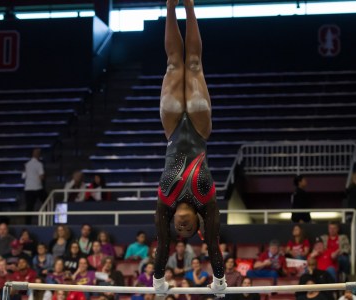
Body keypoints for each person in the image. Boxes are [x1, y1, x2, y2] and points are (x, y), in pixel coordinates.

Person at [153, 0, 226, 295]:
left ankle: (171, 6)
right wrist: (219, 282)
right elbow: (212, 245)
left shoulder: (165, 205)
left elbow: (162, 247)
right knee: (193, 62)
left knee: (173, 62)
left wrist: (158, 281)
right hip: (198, 128)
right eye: (189, 229)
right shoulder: (207, 202)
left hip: (171, 128)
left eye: (178, 229)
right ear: (198, 221)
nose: (182, 228)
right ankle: (190, 5)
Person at [23, 148, 45, 223]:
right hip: (37, 187)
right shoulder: (39, 164)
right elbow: (41, 176)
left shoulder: (27, 164)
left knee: (29, 206)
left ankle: (27, 223)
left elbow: (23, 176)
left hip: (28, 188)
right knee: (46, 203)